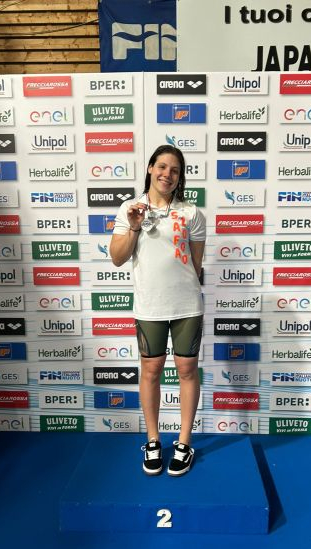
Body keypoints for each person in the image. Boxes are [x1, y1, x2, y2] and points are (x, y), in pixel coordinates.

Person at [109, 145, 206, 476]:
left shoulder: (191, 213)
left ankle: (184, 442)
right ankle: (153, 440)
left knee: (187, 370)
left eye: (175, 170)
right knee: (150, 371)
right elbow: (117, 258)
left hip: (187, 304)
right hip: (149, 304)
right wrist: (135, 227)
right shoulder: (129, 209)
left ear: (180, 177)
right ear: (150, 168)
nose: (168, 174)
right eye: (162, 166)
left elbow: (196, 264)